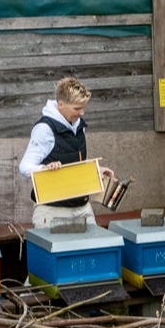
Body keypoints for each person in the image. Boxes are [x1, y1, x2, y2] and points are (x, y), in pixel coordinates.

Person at [19, 76, 117, 229]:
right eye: (77, 108)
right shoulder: (45, 129)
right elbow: (24, 167)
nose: (82, 113)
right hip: (53, 211)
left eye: (83, 108)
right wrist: (44, 169)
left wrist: (95, 170)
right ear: (61, 104)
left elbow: (72, 163)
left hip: (82, 207)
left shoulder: (79, 125)